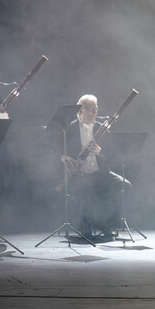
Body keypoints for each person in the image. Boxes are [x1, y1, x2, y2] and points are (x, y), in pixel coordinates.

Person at [65, 94, 127, 242]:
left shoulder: (101, 128)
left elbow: (112, 155)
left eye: (96, 109)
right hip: (80, 174)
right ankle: (87, 229)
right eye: (91, 109)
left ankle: (108, 225)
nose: (94, 113)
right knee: (88, 190)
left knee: (124, 185)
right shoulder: (69, 128)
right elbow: (55, 148)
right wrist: (64, 157)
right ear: (81, 111)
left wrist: (100, 152)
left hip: (101, 173)